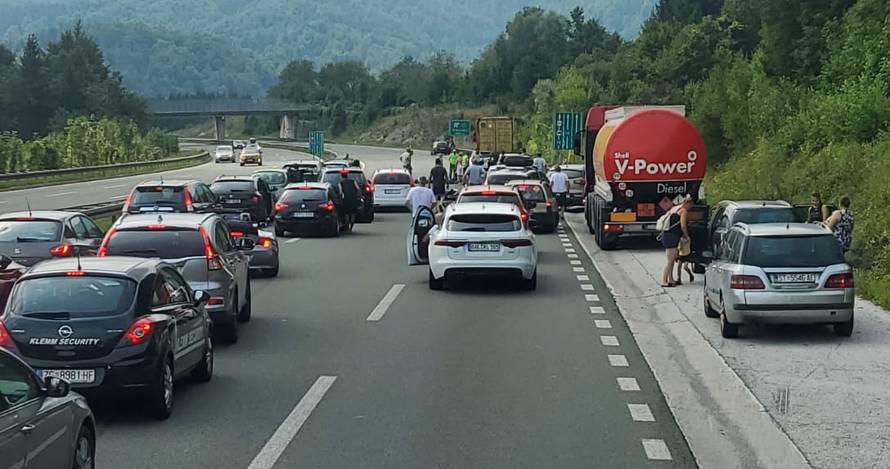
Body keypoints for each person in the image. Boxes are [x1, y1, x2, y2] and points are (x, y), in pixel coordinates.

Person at [660, 195, 692, 288]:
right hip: (672, 236)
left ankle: (671, 279)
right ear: (687, 203)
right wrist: (686, 236)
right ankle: (664, 280)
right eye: (690, 205)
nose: (690, 208)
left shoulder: (674, 208)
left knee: (671, 259)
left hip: (666, 234)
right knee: (670, 261)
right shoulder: (683, 211)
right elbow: (683, 225)